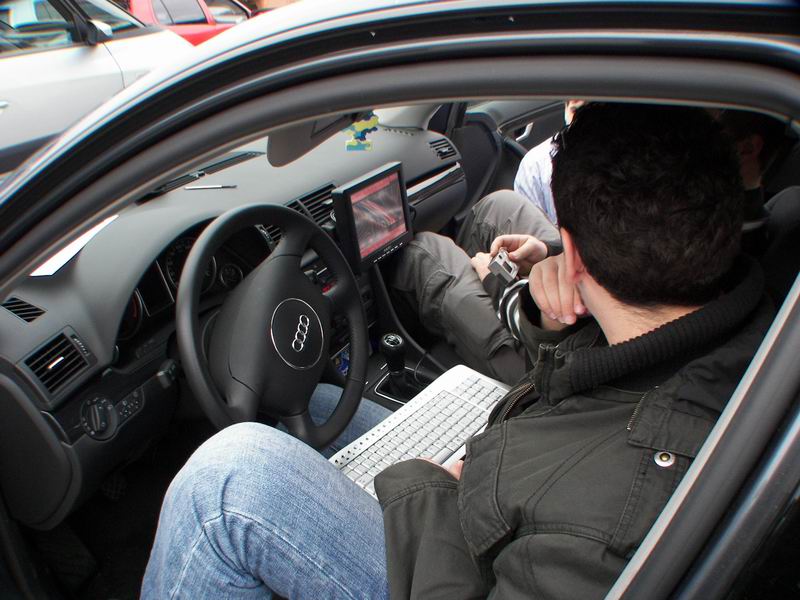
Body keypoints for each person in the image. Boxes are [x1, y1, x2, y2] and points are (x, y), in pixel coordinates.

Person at [141, 104, 773, 600]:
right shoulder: (744, 324)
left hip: (455, 551)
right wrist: (557, 305)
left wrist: (432, 488)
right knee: (321, 402)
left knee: (226, 478)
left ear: (575, 250)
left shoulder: (603, 530)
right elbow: (594, 383)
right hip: (507, 478)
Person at [513, 99, 584, 224]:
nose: (588, 120)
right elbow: (530, 229)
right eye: (578, 111)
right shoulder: (535, 164)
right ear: (566, 108)